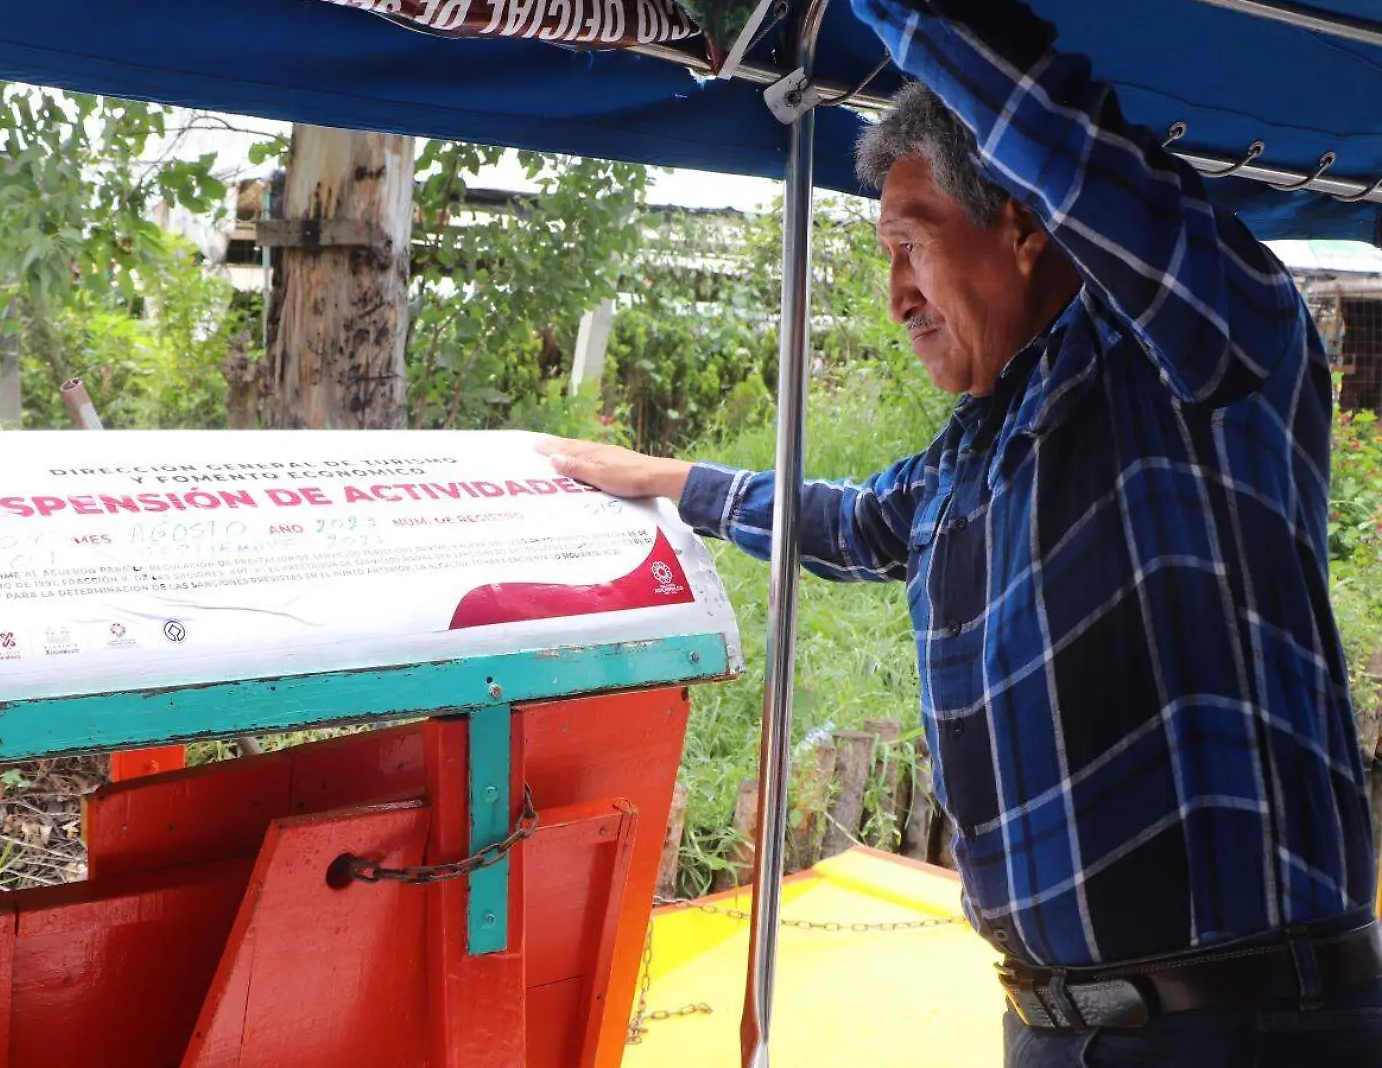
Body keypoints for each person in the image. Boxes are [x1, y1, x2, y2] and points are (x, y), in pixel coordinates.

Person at [538, 1, 1382, 1064]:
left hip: (1248, 1025)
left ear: (1024, 225)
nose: (894, 295)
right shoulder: (974, 447)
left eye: (910, 244)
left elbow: (1059, 136)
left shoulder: (1201, 351)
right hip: (1049, 1024)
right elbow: (850, 521)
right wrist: (661, 479)